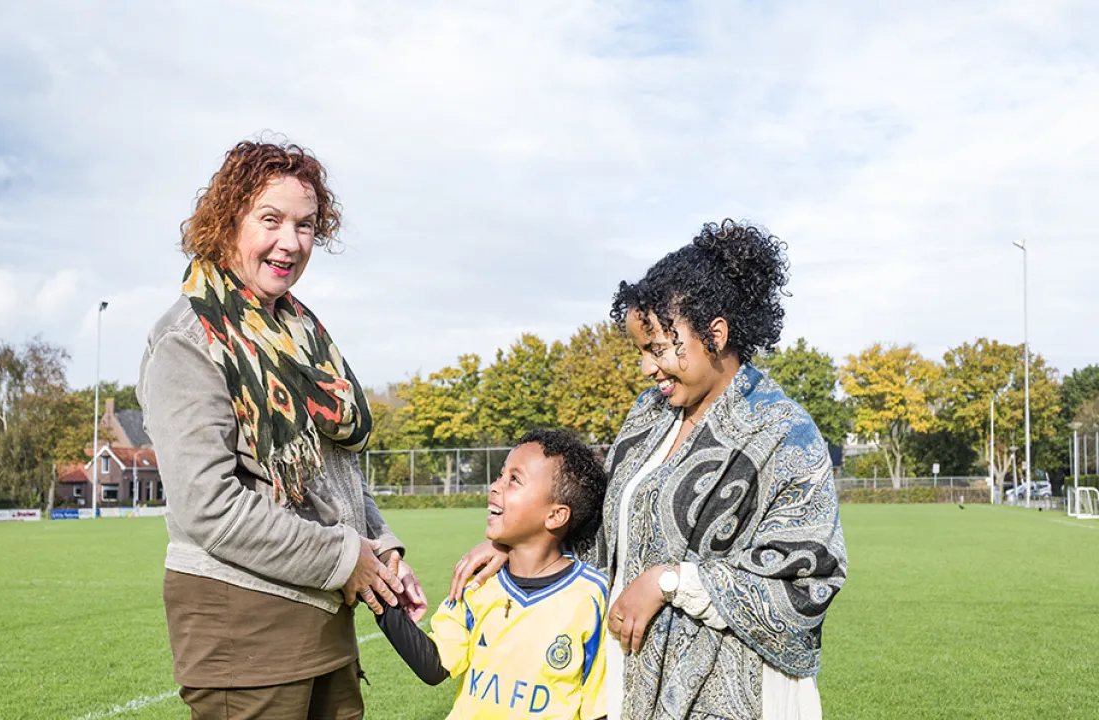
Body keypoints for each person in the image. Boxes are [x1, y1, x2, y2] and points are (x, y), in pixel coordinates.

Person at [449, 220, 848, 720]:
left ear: (715, 335)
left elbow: (810, 578)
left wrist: (670, 582)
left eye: (658, 348)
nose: (646, 368)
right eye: (641, 350)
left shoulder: (783, 431)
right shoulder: (649, 414)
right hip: (633, 679)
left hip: (741, 691)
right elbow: (600, 522)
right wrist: (517, 541)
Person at [138, 139, 426, 719]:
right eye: (270, 220)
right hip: (243, 630)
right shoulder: (187, 341)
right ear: (227, 220)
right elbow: (208, 507)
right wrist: (347, 559)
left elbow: (329, 471)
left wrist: (382, 550)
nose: (290, 243)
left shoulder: (298, 332)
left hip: (325, 620)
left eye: (307, 225)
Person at [376, 430, 610, 720]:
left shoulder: (592, 596)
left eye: (514, 479)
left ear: (555, 516)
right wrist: (383, 600)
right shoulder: (478, 582)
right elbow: (435, 665)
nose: (495, 486)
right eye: (501, 475)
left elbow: (597, 708)